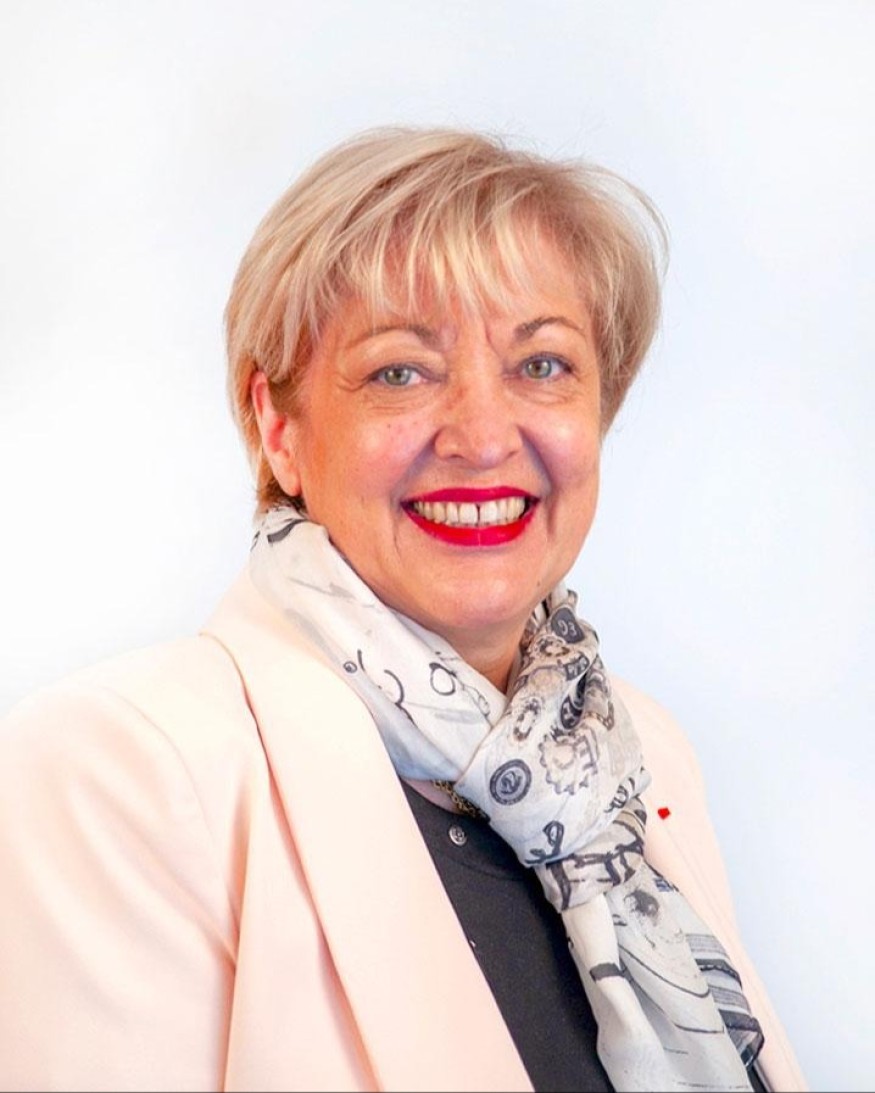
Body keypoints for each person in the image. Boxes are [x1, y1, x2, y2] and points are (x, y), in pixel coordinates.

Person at [0, 127, 807, 1093]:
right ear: (279, 426)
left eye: (541, 365)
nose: (482, 435)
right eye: (400, 372)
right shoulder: (123, 769)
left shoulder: (638, 755)